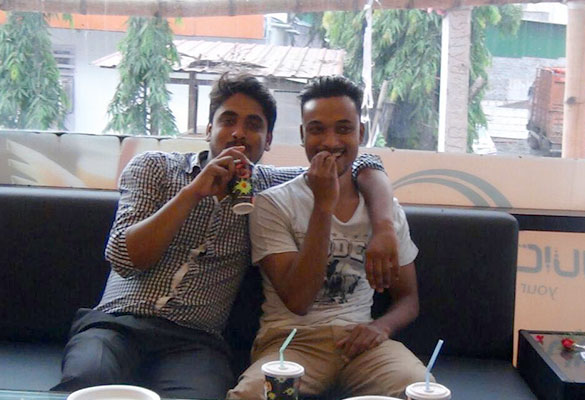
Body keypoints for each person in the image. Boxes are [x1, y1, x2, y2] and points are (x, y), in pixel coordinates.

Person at [52, 73, 401, 399]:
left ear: (268, 140)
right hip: (116, 324)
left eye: (254, 125)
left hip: (195, 341)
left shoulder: (269, 188)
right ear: (209, 128)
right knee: (88, 383)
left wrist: (385, 228)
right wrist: (193, 192)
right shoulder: (154, 167)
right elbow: (124, 260)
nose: (238, 134)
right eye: (228, 120)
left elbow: (359, 164)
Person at [227, 76, 428, 400]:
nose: (330, 141)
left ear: (361, 133)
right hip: (292, 342)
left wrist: (381, 327)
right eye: (317, 129)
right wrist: (323, 205)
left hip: (361, 345)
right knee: (252, 395)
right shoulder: (273, 204)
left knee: (420, 389)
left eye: (344, 129)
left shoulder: (386, 212)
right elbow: (298, 300)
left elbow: (408, 299)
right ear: (303, 135)